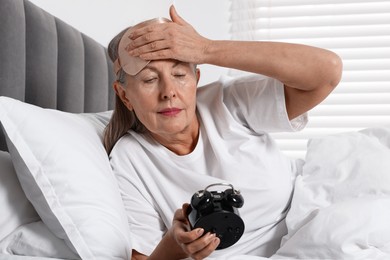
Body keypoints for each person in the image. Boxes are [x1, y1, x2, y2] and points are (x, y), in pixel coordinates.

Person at [104, 5, 342, 260]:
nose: (168, 92)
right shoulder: (130, 160)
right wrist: (173, 245)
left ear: (196, 79)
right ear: (124, 95)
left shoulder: (228, 102)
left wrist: (205, 49)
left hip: (315, 223)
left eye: (179, 74)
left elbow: (327, 71)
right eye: (150, 79)